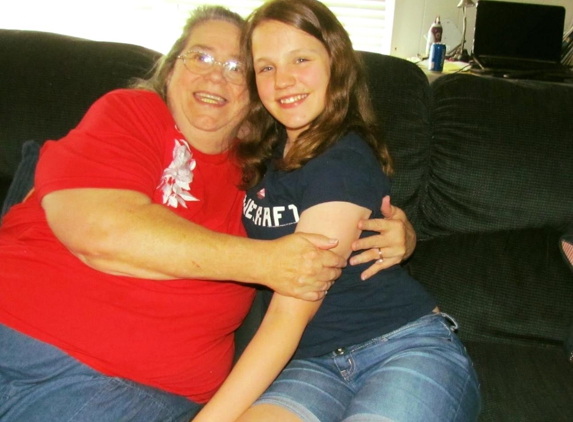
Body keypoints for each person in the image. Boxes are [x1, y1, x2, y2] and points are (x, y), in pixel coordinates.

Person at [0, 5, 415, 422]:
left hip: (136, 393)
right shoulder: (133, 113)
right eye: (199, 56)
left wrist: (399, 232)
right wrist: (268, 262)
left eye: (237, 67)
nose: (215, 75)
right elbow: (101, 232)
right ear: (170, 68)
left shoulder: (261, 175)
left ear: (254, 95)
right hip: (15, 340)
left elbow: (332, 192)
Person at [192, 1, 481, 421]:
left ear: (336, 64)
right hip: (313, 365)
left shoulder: (342, 161)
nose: (283, 80)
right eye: (267, 67)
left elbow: (287, 317)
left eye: (302, 59)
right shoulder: (262, 150)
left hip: (404, 347)